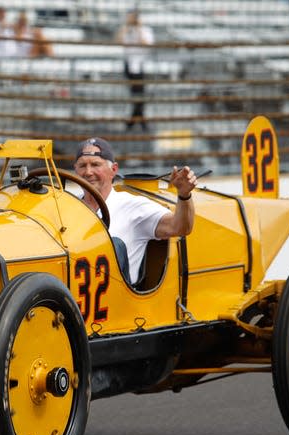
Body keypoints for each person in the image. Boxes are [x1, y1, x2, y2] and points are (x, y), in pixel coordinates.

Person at [74, 137, 197, 284]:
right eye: (82, 166)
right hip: (69, 296)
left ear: (113, 170)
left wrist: (184, 195)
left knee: (116, 245)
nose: (88, 172)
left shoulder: (133, 206)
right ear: (75, 170)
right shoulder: (67, 206)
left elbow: (180, 227)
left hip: (119, 299)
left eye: (95, 165)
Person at [116, 10, 154, 131]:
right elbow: (119, 41)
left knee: (139, 94)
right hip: (129, 65)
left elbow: (146, 43)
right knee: (137, 94)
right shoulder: (126, 30)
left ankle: (133, 122)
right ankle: (139, 121)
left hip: (141, 66)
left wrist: (138, 28)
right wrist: (127, 27)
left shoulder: (145, 30)